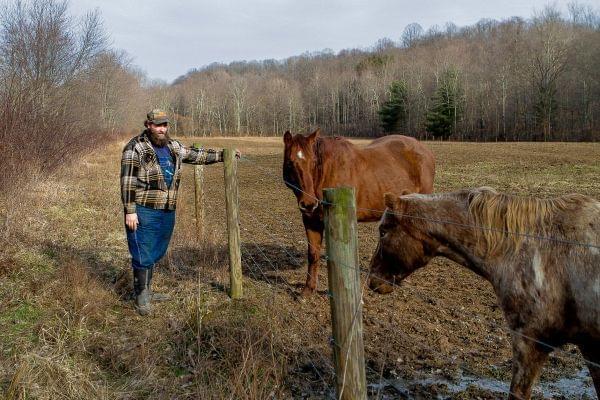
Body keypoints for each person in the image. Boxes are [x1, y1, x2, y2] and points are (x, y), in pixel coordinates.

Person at [121, 109, 239, 315]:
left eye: (165, 125)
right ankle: (141, 297)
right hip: (144, 209)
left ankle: (148, 290)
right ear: (148, 125)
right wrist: (130, 211)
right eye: (158, 125)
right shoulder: (135, 148)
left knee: (158, 250)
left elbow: (196, 155)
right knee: (143, 251)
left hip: (168, 209)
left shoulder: (173, 146)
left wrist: (223, 155)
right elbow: (127, 181)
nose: (162, 128)